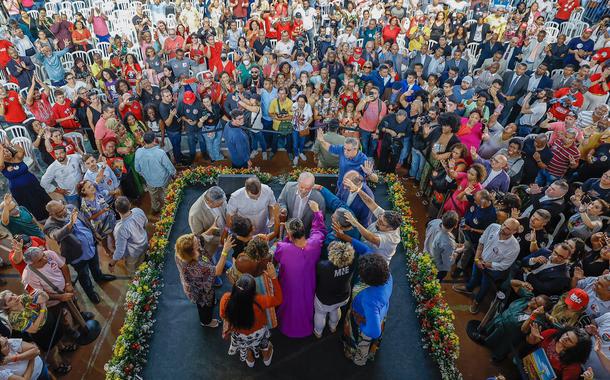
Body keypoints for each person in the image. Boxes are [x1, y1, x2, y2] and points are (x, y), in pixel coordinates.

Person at [43, 200, 116, 304]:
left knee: (95, 266)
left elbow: (85, 221)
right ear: (52, 214)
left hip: (91, 246)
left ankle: (99, 277)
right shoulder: (49, 225)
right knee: (84, 276)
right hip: (76, 255)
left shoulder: (71, 207)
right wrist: (70, 224)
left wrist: (95, 234)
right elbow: (56, 235)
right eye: (60, 211)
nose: (64, 210)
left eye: (63, 207)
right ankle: (91, 293)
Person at [274, 200, 326, 338]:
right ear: (303, 230)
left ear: (290, 235)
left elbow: (277, 257)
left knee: (289, 304)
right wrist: (316, 211)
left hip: (289, 284)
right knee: (306, 303)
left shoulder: (283, 248)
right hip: (308, 282)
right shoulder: (314, 244)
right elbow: (319, 230)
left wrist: (285, 239)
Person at [219, 264, 282, 368]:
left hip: (238, 334)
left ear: (235, 287)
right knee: (264, 343)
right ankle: (266, 357)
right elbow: (278, 299)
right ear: (253, 291)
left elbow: (223, 315)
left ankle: (250, 359)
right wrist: (274, 278)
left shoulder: (226, 299)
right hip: (258, 332)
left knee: (246, 347)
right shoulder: (260, 300)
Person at [453, 219, 521, 314]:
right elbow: (481, 242)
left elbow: (504, 265)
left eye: (507, 228)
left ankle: (477, 301)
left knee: (485, 286)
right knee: (474, 277)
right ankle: (469, 288)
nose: (503, 228)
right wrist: (477, 259)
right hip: (479, 259)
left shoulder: (514, 247)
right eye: (504, 224)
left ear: (514, 232)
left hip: (493, 270)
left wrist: (486, 264)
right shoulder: (493, 226)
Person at [0, 289, 72, 374]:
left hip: (49, 321)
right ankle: (57, 366)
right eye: (10, 299)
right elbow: (34, 328)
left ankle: (63, 348)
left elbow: (45, 298)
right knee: (51, 350)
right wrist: (42, 308)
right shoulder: (15, 319)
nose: (14, 297)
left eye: (13, 294)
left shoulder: (22, 298)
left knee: (57, 337)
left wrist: (41, 293)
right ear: (5, 307)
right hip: (41, 333)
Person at [342, 253, 393, 366]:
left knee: (363, 343)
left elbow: (374, 331)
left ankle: (359, 360)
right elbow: (366, 250)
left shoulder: (369, 298)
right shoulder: (387, 275)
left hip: (364, 318)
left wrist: (361, 323)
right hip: (380, 313)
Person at [175, 233, 233, 328]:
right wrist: (225, 251)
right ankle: (206, 322)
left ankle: (212, 301)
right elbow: (217, 271)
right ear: (192, 251)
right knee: (205, 308)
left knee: (210, 298)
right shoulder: (197, 267)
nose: (197, 239)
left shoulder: (180, 253)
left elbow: (198, 236)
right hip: (201, 293)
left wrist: (211, 229)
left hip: (204, 284)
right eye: (195, 241)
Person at [342, 178, 402, 265]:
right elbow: (370, 202)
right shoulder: (384, 216)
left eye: (382, 223)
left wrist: (355, 222)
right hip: (366, 247)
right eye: (379, 218)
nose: (378, 221)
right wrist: (357, 190)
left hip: (374, 262)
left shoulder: (391, 239)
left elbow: (371, 238)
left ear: (390, 228)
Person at [134, 131, 176, 214]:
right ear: (154, 141)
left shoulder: (138, 152)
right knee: (166, 193)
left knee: (153, 195)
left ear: (144, 141)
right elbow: (169, 167)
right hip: (163, 179)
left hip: (149, 180)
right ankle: (169, 208)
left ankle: (155, 208)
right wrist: (174, 173)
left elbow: (137, 169)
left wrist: (145, 175)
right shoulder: (160, 153)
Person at [110, 197, 148, 275]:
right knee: (143, 259)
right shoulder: (138, 211)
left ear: (117, 210)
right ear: (129, 204)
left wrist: (112, 263)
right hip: (144, 243)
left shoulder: (120, 229)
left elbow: (120, 251)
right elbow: (145, 223)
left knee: (133, 271)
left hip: (133, 253)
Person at [188, 186, 227, 254]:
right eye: (219, 204)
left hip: (225, 235)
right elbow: (199, 237)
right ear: (209, 202)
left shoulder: (218, 196)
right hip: (213, 246)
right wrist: (221, 240)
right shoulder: (195, 214)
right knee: (217, 260)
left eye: (223, 202)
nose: (222, 205)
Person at [424, 211, 459, 281]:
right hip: (437, 268)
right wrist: (455, 254)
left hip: (426, 256)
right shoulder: (449, 243)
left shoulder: (435, 222)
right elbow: (447, 262)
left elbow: (427, 231)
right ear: (456, 225)